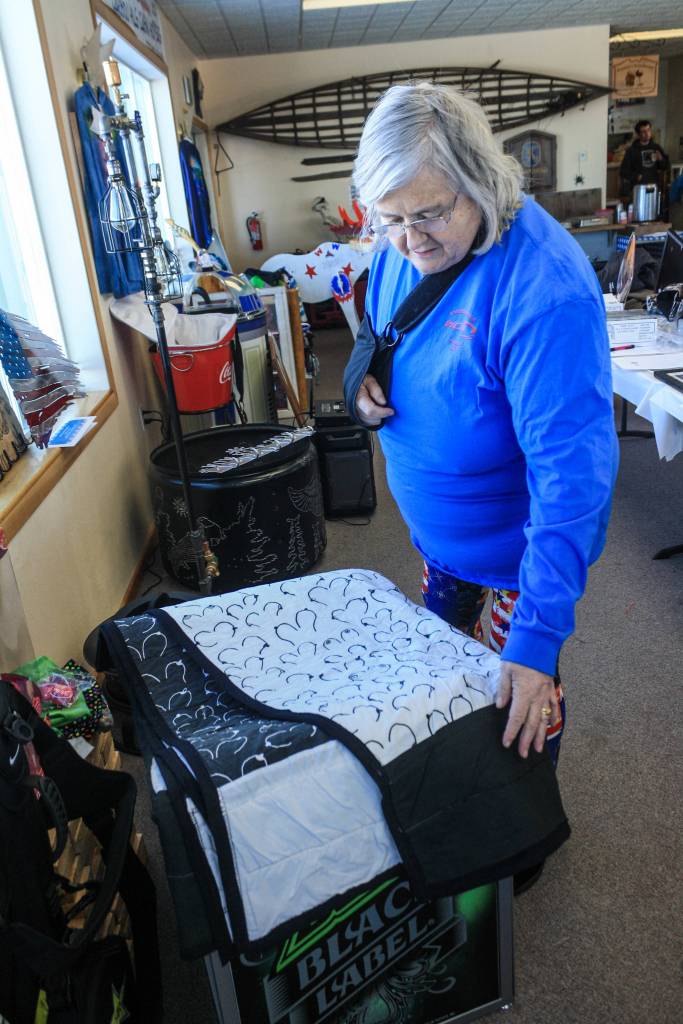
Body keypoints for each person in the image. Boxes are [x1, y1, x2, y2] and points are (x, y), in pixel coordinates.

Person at [344, 82, 618, 777]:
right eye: (389, 220)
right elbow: (380, 324)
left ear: (481, 181)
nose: (408, 242)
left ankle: (520, 834)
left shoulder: (541, 286)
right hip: (441, 544)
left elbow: (573, 478)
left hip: (517, 561)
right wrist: (357, 374)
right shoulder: (402, 243)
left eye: (429, 215)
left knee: (516, 701)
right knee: (445, 690)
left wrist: (535, 641)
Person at [619, 119, 669, 195]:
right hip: (638, 188)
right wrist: (636, 177)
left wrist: (661, 159)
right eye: (643, 131)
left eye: (648, 130)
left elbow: (666, 167)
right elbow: (623, 171)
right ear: (638, 134)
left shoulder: (656, 147)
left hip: (653, 187)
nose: (647, 133)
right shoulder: (632, 150)